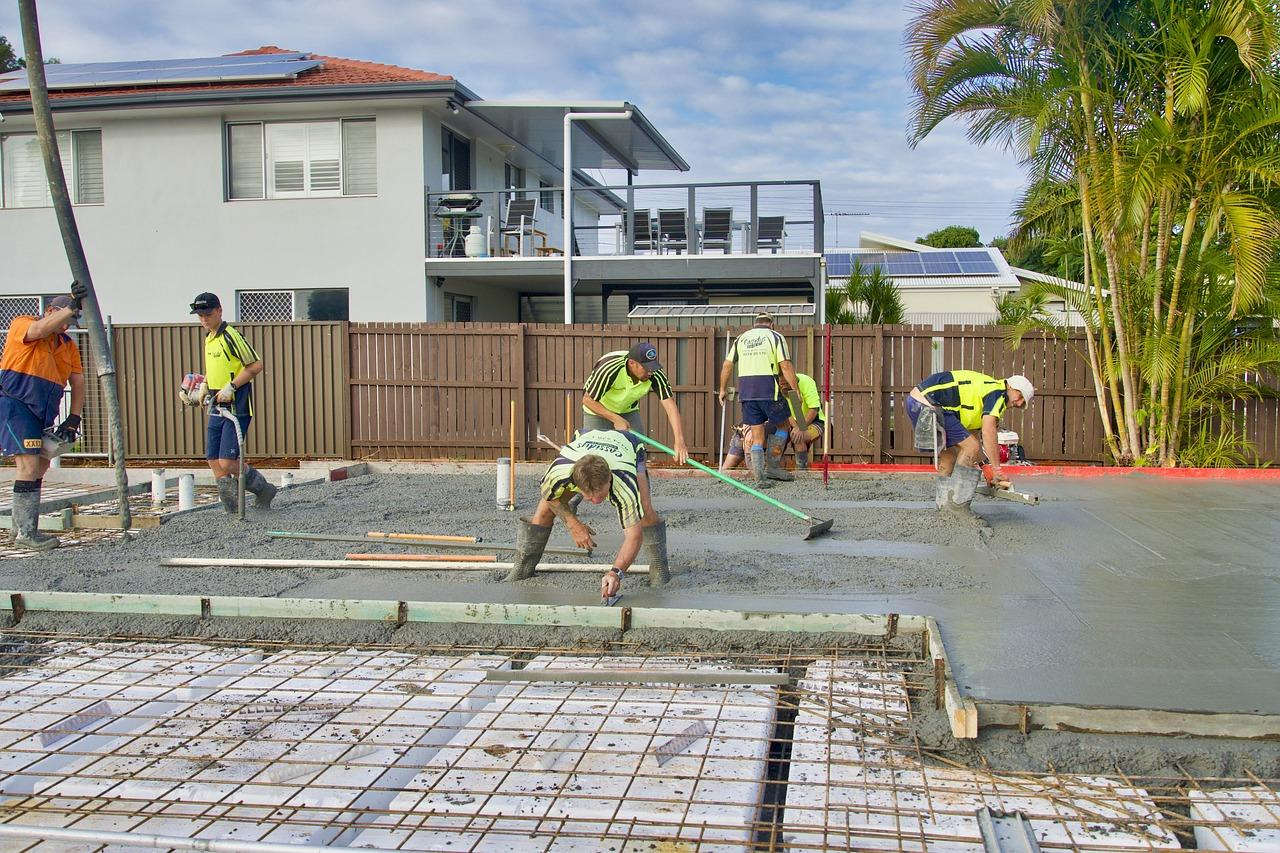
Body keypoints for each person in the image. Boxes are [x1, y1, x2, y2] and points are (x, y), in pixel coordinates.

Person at [506, 429, 669, 600]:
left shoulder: (624, 483)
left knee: (644, 510)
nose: (595, 501)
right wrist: (573, 524)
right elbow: (549, 497)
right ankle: (523, 568)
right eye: (587, 495)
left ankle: (660, 567)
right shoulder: (559, 472)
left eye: (599, 494)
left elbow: (634, 536)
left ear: (609, 480)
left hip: (627, 444)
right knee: (544, 509)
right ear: (576, 483)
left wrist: (615, 572)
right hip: (585, 437)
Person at [0, 284, 88, 550]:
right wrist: (72, 303)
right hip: (17, 405)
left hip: (42, 411)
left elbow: (78, 380)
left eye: (71, 321)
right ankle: (27, 534)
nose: (66, 325)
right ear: (51, 311)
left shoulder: (66, 345)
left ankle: (20, 530)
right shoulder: (23, 324)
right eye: (64, 318)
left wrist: (73, 417)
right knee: (28, 466)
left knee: (39, 466)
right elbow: (38, 330)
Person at [189, 292, 276, 512]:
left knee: (227, 462)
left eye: (208, 314)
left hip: (236, 404)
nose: (204, 319)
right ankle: (232, 509)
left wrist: (232, 387)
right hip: (217, 404)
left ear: (219, 311)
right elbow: (216, 369)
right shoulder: (209, 338)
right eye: (200, 315)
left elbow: (255, 365)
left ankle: (263, 489)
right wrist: (204, 385)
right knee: (213, 459)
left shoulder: (231, 336)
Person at [905, 370, 1034, 509]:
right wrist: (997, 470)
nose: (1019, 403)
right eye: (1020, 396)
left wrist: (985, 466)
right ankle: (958, 507)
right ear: (1009, 386)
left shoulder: (985, 392)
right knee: (970, 447)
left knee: (949, 459)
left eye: (1023, 402)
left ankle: (944, 510)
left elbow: (973, 434)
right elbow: (988, 432)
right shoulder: (998, 393)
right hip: (930, 402)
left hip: (916, 402)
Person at [717, 312, 805, 488]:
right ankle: (772, 467)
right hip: (769, 390)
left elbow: (727, 365)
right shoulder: (776, 337)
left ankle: (759, 478)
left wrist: (722, 389)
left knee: (757, 437)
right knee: (783, 426)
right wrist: (795, 391)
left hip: (747, 393)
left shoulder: (741, 338)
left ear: (755, 324)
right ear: (771, 324)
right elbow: (785, 365)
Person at [581, 342, 688, 463]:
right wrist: (616, 419)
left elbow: (670, 406)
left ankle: (636, 480)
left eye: (652, 367)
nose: (650, 372)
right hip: (597, 410)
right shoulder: (610, 369)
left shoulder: (655, 373)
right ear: (631, 363)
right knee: (593, 459)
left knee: (637, 454)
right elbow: (587, 400)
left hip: (627, 411)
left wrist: (679, 441)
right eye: (646, 367)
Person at [776, 371, 825, 470]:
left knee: (798, 437)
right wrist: (795, 426)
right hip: (789, 419)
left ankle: (802, 472)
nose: (784, 387)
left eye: (787, 384)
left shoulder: (805, 382)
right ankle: (776, 470)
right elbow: (784, 412)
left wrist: (800, 427)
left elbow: (814, 408)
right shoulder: (776, 387)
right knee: (777, 439)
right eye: (781, 385)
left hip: (813, 421)